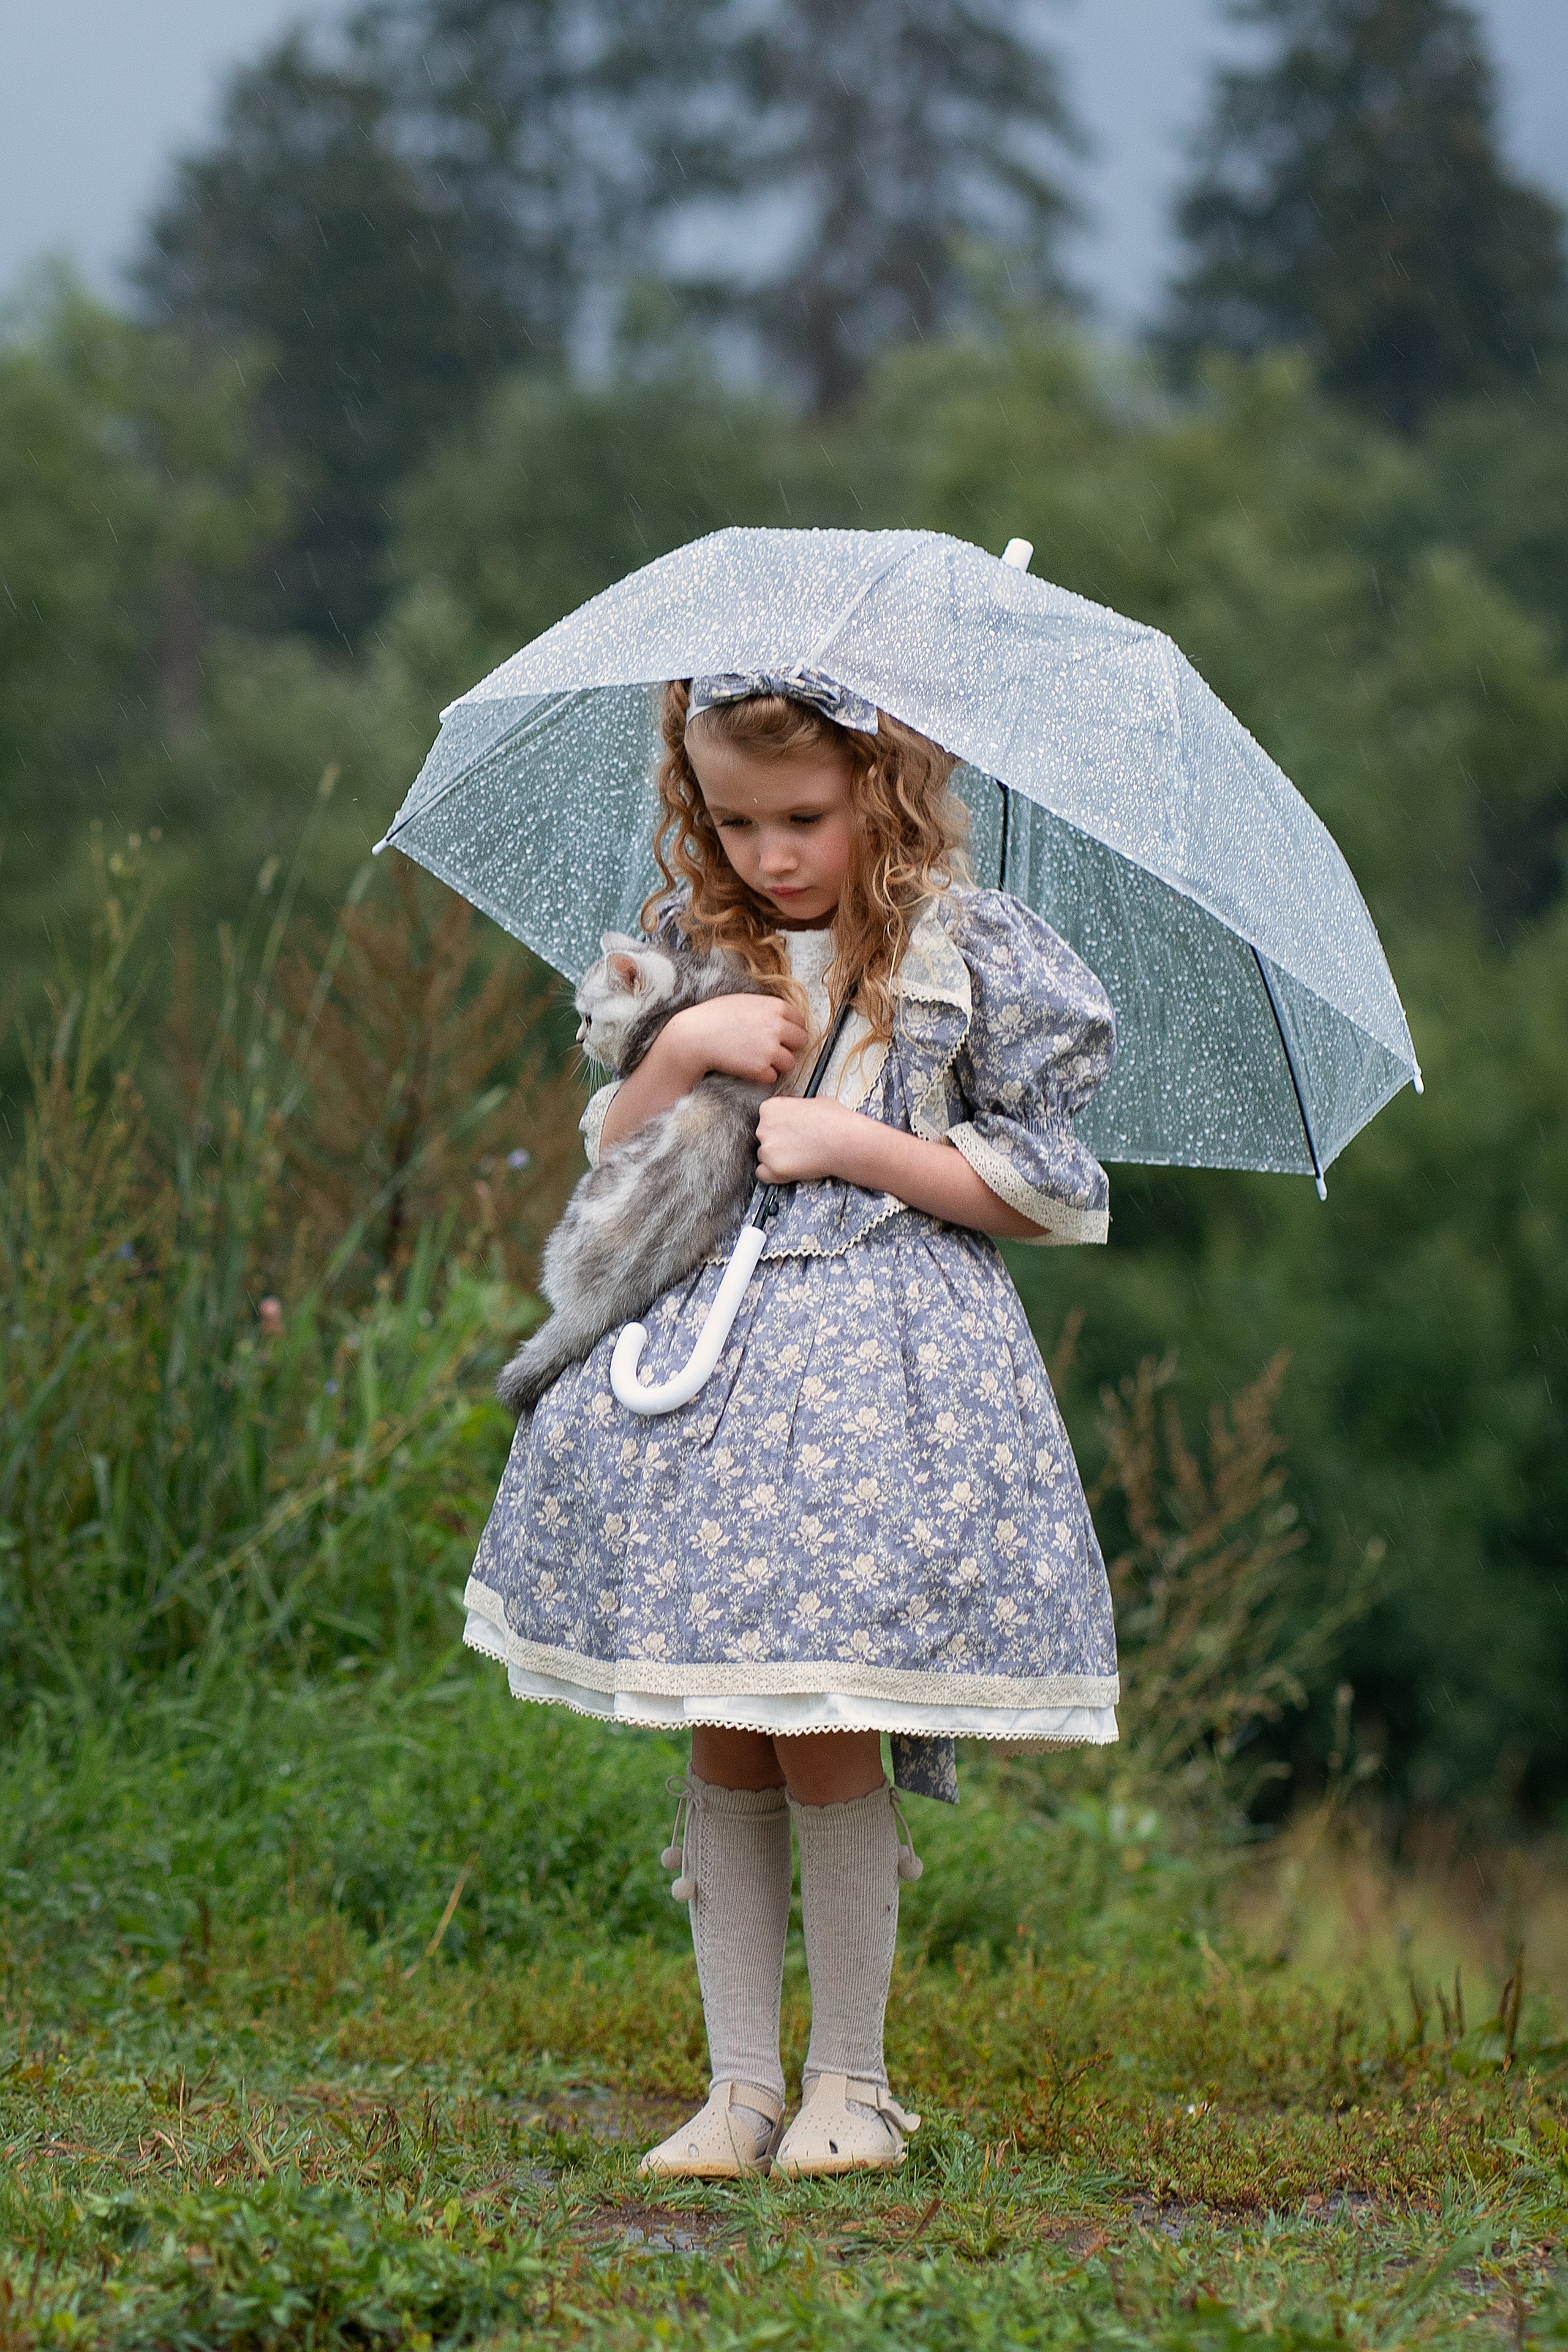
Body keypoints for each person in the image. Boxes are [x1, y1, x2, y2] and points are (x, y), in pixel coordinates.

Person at [462, 668, 1119, 2179]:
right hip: (709, 1374)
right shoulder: (705, 947)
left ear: (883, 791)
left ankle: (856, 2085)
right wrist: (685, 1053)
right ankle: (739, 2084)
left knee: (823, 1714)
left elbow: (1043, 1193)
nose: (769, 853)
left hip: (875, 1381)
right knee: (727, 1716)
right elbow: (618, 1162)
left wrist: (861, 1145)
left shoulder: (959, 949)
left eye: (804, 818)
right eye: (734, 818)